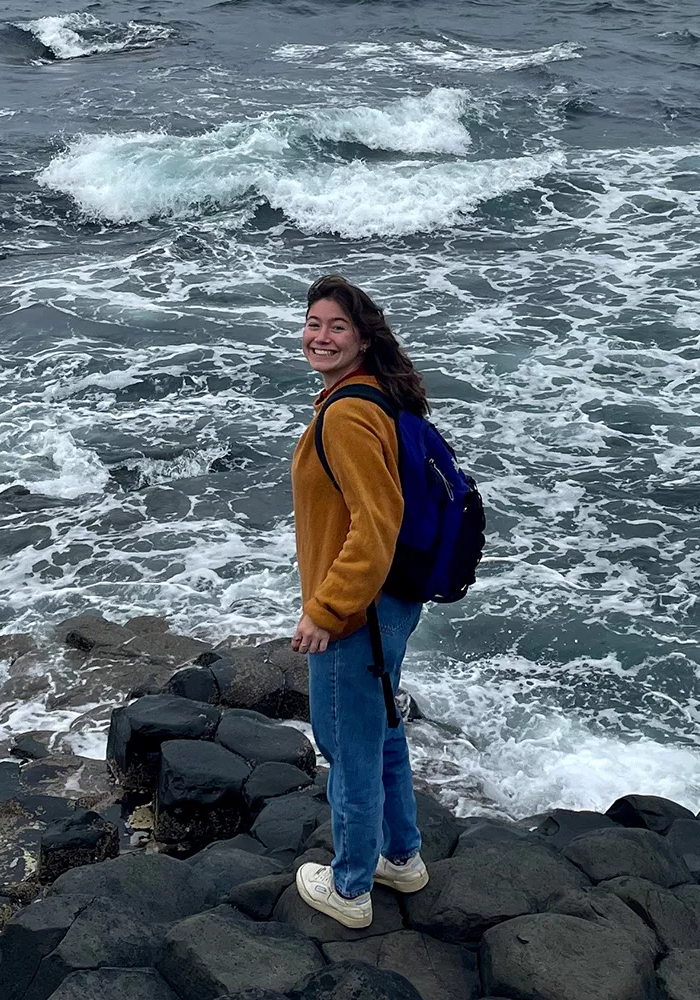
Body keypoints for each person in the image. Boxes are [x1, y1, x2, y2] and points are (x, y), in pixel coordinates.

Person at [289, 274, 429, 929]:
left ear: (363, 337)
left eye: (336, 326)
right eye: (314, 323)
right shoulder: (368, 398)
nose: (321, 335)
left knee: (348, 746)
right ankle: (401, 857)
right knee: (380, 731)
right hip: (389, 604)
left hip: (359, 611)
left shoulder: (347, 414)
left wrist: (325, 609)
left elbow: (376, 526)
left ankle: (350, 889)